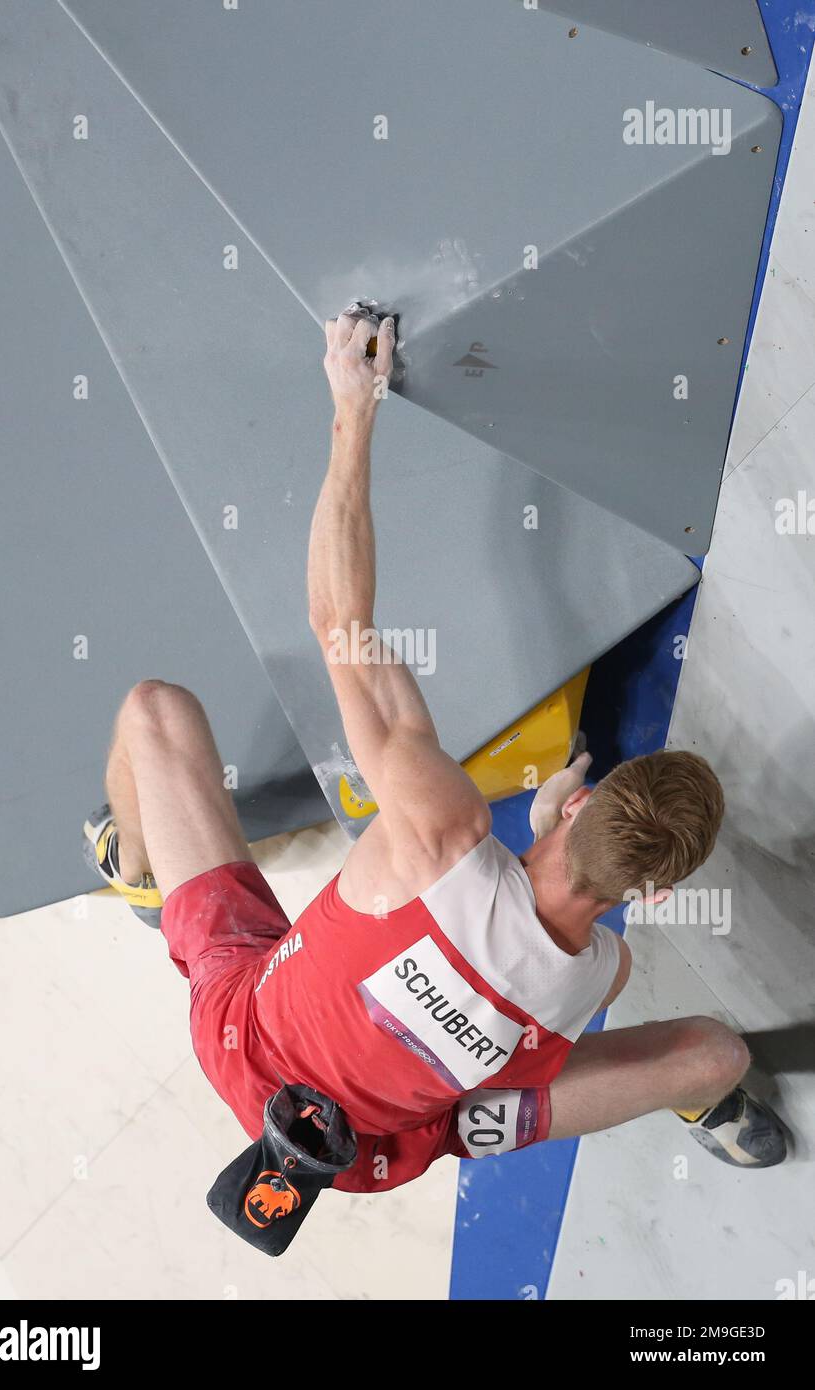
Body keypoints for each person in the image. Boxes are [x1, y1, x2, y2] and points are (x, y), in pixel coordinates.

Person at [84, 311, 785, 1198]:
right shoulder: (606, 971)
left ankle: (141, 873)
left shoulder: (435, 831)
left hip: (250, 1044)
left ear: (578, 802)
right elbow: (522, 932)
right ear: (653, 893)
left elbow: (340, 623)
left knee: (154, 713)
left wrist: (353, 406)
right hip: (374, 1155)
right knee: (711, 1054)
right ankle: (703, 1097)